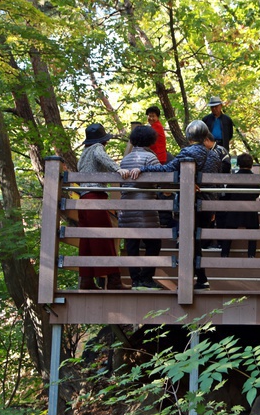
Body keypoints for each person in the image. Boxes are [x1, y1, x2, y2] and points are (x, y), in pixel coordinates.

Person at [130, 120, 220, 290]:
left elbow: (167, 170)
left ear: (189, 135)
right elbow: (214, 183)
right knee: (196, 242)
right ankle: (201, 279)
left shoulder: (188, 152)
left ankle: (188, 282)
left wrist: (144, 169)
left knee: (188, 241)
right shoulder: (214, 156)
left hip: (191, 203)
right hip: (208, 204)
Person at [77, 123, 132, 290]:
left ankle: (86, 281)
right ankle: (113, 280)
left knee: (87, 242)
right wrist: (118, 169)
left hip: (83, 199)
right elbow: (103, 158)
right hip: (95, 198)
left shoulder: (83, 154)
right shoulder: (97, 148)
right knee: (104, 238)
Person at [119, 125, 163, 289]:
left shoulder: (125, 159)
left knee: (132, 245)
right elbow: (161, 177)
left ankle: (135, 280)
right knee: (154, 244)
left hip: (127, 208)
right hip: (146, 209)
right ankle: (146, 278)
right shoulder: (150, 157)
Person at [221, 153, 260, 258]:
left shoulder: (233, 178)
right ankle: (251, 255)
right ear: (251, 165)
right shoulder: (255, 179)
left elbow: (227, 193)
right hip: (250, 210)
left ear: (238, 164)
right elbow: (257, 193)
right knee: (253, 232)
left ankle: (225, 254)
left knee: (229, 231)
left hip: (234, 210)